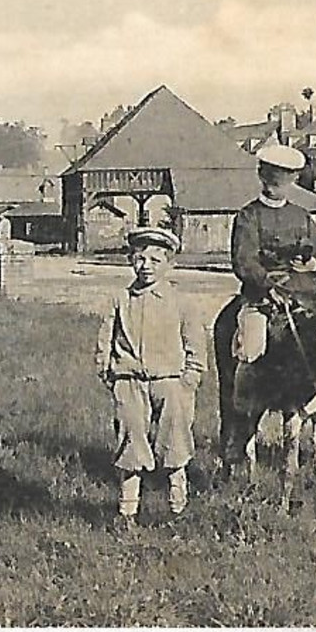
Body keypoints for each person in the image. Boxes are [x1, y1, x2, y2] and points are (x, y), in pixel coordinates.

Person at [215, 145, 316, 465]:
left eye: (283, 178)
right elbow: (243, 261)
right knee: (250, 349)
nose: (276, 183)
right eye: (270, 176)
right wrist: (268, 285)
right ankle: (239, 431)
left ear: (293, 179)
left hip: (306, 297)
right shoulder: (248, 216)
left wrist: (313, 265)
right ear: (261, 175)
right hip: (264, 298)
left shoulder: (301, 216)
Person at [94, 225, 207, 528]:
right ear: (131, 260)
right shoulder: (121, 299)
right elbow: (106, 339)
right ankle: (128, 511)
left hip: (170, 381)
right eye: (140, 259)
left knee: (175, 442)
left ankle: (177, 508)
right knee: (130, 441)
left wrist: (189, 379)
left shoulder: (181, 301)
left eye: (156, 261)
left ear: (170, 264)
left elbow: (195, 344)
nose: (146, 267)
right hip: (129, 380)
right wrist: (109, 373)